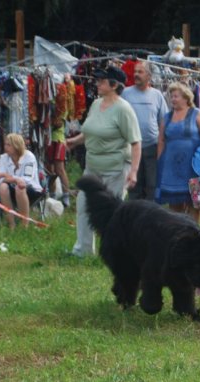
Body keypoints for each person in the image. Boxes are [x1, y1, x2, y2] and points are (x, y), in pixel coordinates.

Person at [66, 66, 141, 257]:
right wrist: (73, 142)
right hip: (92, 168)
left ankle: (115, 251)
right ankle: (83, 250)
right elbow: (90, 131)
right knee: (83, 205)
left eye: (102, 81)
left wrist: (133, 171)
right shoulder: (96, 104)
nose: (97, 83)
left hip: (115, 169)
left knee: (111, 213)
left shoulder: (124, 109)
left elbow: (135, 142)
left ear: (114, 85)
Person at [155, 82, 200, 224]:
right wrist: (160, 160)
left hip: (194, 167)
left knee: (195, 202)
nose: (173, 99)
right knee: (174, 205)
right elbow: (161, 139)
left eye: (176, 96)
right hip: (171, 169)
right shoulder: (167, 118)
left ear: (186, 98)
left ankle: (194, 232)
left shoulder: (197, 114)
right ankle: (177, 233)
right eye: (171, 96)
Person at [121, 61, 169, 201]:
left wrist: (162, 146)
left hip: (151, 146)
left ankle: (150, 216)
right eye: (135, 71)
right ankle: (135, 215)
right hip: (130, 147)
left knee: (152, 185)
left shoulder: (157, 95)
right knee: (134, 185)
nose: (136, 75)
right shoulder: (125, 93)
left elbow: (164, 121)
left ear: (149, 76)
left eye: (140, 72)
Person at [0, 133, 43, 230]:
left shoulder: (29, 157)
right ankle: (11, 224)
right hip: (12, 188)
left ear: (16, 146)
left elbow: (26, 180)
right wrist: (14, 179)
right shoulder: (3, 158)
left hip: (31, 190)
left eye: (8, 145)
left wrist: (6, 176)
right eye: (5, 144)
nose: (5, 147)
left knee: (19, 188)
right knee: (2, 187)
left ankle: (24, 225)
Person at [45, 77, 71, 208]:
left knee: (59, 169)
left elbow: (59, 122)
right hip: (49, 139)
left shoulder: (62, 102)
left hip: (58, 139)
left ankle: (66, 195)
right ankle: (52, 195)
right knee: (50, 170)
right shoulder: (49, 99)